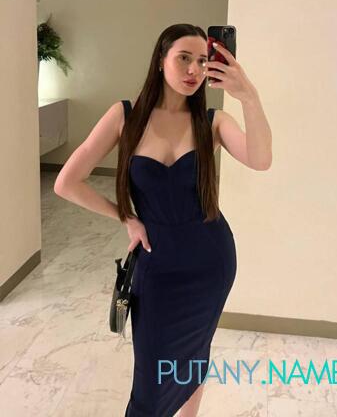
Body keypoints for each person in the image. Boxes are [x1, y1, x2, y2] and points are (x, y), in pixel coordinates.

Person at [54, 23, 272, 416]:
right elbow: (67, 182)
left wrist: (249, 97)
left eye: (202, 61)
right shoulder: (125, 116)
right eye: (183, 58)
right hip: (157, 265)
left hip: (211, 260)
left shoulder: (213, 122)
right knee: (151, 379)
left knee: (195, 354)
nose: (194, 70)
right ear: (160, 60)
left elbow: (261, 159)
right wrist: (126, 217)